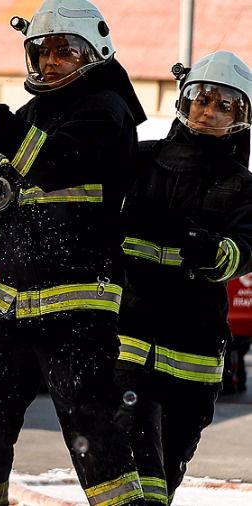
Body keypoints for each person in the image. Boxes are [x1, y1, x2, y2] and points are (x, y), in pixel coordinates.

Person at [0, 0, 147, 504]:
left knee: (92, 432)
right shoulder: (31, 114)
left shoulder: (106, 109)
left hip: (78, 306)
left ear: (96, 50)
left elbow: (53, 160)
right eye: (41, 52)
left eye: (64, 52)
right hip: (13, 304)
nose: (51, 62)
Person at [115, 50, 252, 505]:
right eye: (200, 98)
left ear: (242, 116)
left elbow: (242, 252)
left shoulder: (244, 187)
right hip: (129, 347)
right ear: (184, 100)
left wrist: (211, 248)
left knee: (164, 477)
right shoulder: (139, 161)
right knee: (139, 472)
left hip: (194, 359)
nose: (208, 110)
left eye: (223, 104)